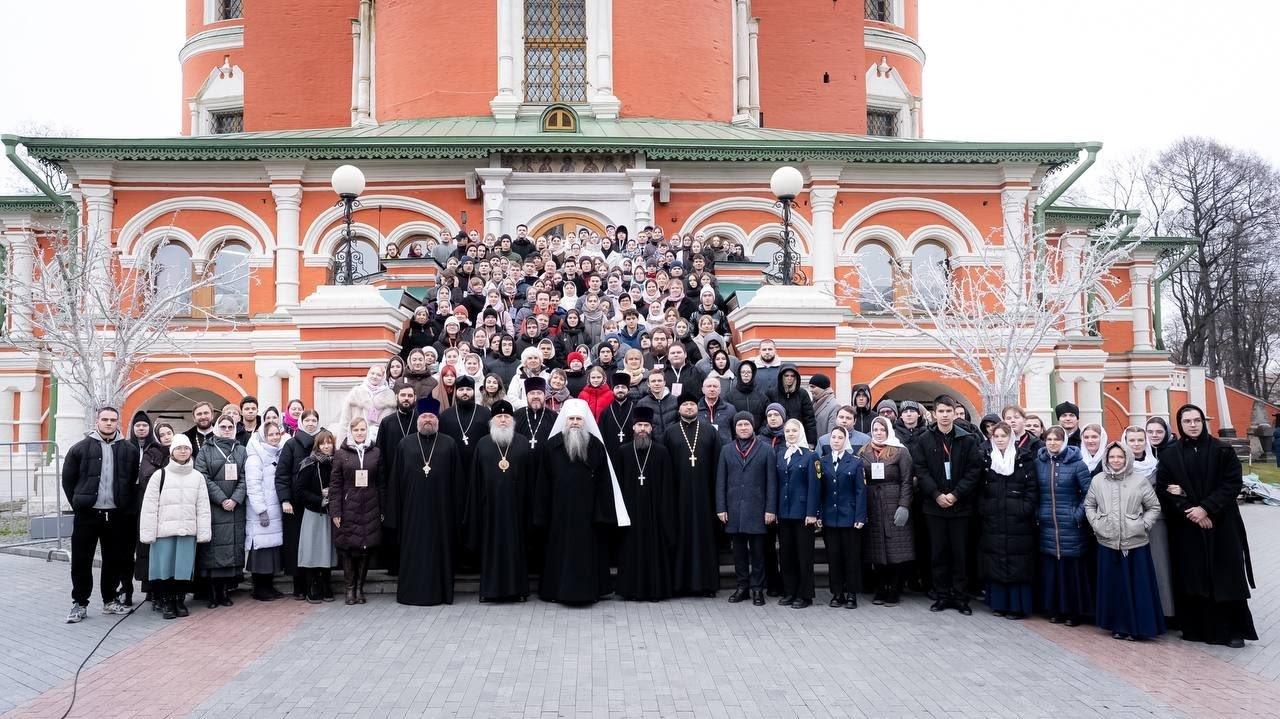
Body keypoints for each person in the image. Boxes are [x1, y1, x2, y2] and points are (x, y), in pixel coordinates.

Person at [1156, 404, 1257, 648]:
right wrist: (1192, 511)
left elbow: (1232, 483)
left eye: (1196, 420)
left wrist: (1206, 508)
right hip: (1188, 526)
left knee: (1226, 576)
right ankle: (1196, 629)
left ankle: (1232, 631)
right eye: (1187, 421)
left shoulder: (1222, 450)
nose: (1192, 425)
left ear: (1203, 422)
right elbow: (1165, 489)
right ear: (1180, 424)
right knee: (1193, 576)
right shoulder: (1170, 455)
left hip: (1222, 523)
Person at [535, 399, 630, 604]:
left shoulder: (595, 445)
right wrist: (542, 513)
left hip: (589, 513)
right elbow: (543, 482)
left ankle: (590, 591)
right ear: (565, 420)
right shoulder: (551, 446)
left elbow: (604, 482)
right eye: (571, 419)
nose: (575, 423)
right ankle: (556, 591)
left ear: (585, 421)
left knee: (588, 552)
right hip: (559, 511)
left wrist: (602, 513)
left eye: (579, 419)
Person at [62, 406, 141, 623]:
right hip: (87, 514)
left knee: (113, 560)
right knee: (82, 560)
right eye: (104, 419)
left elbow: (132, 481)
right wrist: (79, 502)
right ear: (97, 421)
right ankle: (80, 603)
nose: (108, 423)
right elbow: (68, 480)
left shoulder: (129, 450)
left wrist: (126, 506)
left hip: (116, 515)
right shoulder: (80, 448)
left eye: (112, 420)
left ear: (118, 422)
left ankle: (109, 600)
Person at [386, 399, 464, 606]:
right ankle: (411, 593)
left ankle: (441, 593)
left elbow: (457, 482)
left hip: (442, 513)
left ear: (437, 419)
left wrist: (457, 513)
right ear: (418, 419)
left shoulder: (449, 444)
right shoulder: (405, 444)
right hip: (411, 512)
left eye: (431, 416)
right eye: (424, 416)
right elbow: (395, 482)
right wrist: (394, 514)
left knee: (440, 552)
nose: (428, 420)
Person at [1086, 442, 1165, 641]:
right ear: (1106, 459)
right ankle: (1118, 626)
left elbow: (1154, 507)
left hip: (1135, 543)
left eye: (1120, 457)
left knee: (1138, 587)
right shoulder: (1098, 480)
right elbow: (1089, 505)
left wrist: (1142, 525)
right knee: (1115, 587)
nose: (1116, 460)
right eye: (1112, 457)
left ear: (1127, 458)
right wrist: (1097, 523)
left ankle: (1140, 627)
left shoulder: (1139, 481)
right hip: (1108, 541)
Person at [912, 395, 981, 615]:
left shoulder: (967, 439)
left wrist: (956, 494)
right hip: (934, 507)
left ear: (954, 413)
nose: (944, 415)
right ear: (934, 414)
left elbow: (974, 471)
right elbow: (920, 469)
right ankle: (942, 595)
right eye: (940, 411)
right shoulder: (924, 439)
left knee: (960, 554)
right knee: (938, 553)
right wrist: (936, 494)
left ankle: (961, 597)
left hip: (960, 507)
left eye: (948, 411)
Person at [465, 400, 535, 602]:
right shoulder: (483, 444)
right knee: (491, 549)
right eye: (499, 417)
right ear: (492, 420)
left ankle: (518, 590)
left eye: (507, 417)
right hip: (490, 509)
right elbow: (475, 480)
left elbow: (530, 479)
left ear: (512, 420)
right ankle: (490, 591)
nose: (503, 420)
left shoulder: (522, 442)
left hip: (516, 508)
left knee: (516, 549)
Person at [137, 434, 211, 620]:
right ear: (172, 452)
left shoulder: (197, 477)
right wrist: (148, 532)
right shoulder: (159, 475)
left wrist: (203, 532)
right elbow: (149, 507)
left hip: (187, 530)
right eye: (179, 448)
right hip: (164, 531)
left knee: (183, 569)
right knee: (164, 569)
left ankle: (179, 600)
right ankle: (166, 601)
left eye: (186, 448)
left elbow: (203, 507)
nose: (183, 451)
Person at [662, 393, 724, 597]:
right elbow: (665, 466)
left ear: (697, 407)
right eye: (685, 405)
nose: (689, 407)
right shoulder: (670, 432)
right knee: (681, 539)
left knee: (705, 539)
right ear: (679, 409)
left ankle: (707, 585)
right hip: (678, 497)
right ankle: (679, 585)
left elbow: (718, 464)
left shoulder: (710, 431)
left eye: (692, 404)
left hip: (705, 496)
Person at [614, 407, 678, 601]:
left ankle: (654, 590)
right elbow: (617, 485)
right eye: (639, 425)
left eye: (646, 425)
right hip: (630, 512)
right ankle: (630, 590)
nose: (642, 429)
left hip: (654, 513)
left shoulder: (661, 452)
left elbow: (668, 485)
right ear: (633, 428)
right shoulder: (623, 452)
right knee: (631, 551)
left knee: (654, 551)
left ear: (651, 428)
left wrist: (665, 513)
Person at [716, 412, 778, 607]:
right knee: (739, 553)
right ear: (735, 428)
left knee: (758, 553)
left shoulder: (766, 449)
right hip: (734, 510)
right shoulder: (726, 450)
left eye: (746, 424)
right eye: (740, 425)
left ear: (753, 427)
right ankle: (742, 586)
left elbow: (772, 483)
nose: (743, 428)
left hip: (758, 510)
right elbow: (721, 481)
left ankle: (757, 588)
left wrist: (770, 509)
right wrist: (721, 508)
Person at [978, 421, 1038, 620]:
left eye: (1003, 436)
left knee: (1018, 562)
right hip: (993, 519)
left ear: (1010, 437)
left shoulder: (1023, 458)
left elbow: (1032, 489)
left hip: (1018, 521)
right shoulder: (987, 459)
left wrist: (1024, 509)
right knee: (995, 560)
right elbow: (980, 489)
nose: (1000, 440)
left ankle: (1017, 606)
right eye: (996, 436)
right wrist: (985, 509)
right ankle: (999, 604)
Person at [1035, 425, 1094, 626]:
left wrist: (1077, 515)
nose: (1052, 443)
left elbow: (1089, 494)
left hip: (1070, 526)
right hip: (1047, 525)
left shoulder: (1077, 464)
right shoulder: (1039, 463)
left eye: (1057, 439)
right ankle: (1055, 609)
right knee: (1052, 570)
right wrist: (1038, 513)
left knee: (1071, 571)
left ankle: (1073, 612)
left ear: (1064, 441)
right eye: (1049, 439)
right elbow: (1035, 491)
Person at [193, 413, 249, 609]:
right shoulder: (206, 450)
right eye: (223, 426)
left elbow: (245, 477)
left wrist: (235, 499)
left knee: (231, 550)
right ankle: (213, 594)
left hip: (235, 508)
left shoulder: (241, 450)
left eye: (230, 427)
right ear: (217, 428)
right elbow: (202, 476)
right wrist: (222, 499)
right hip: (214, 507)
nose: (226, 430)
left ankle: (225, 592)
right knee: (213, 552)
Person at [859, 416, 915, 607]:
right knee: (877, 549)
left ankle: (895, 589)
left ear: (888, 430)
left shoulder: (900, 451)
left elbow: (907, 480)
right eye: (875, 430)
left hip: (894, 502)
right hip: (872, 503)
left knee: (895, 549)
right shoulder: (864, 451)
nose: (879, 433)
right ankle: (882, 587)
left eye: (882, 429)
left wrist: (904, 505)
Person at [1124, 425, 1174, 621]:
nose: (1136, 444)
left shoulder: (1156, 465)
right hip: (1127, 524)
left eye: (1140, 440)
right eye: (1132, 440)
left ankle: (1164, 611)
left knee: (1158, 566)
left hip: (1155, 523)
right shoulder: (1118, 465)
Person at [816, 426, 867, 609]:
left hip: (850, 518)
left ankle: (852, 593)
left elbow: (860, 491)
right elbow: (819, 491)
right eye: (833, 437)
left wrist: (860, 516)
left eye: (839, 438)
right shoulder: (822, 461)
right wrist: (819, 513)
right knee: (834, 557)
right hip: (830, 518)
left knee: (851, 557)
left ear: (845, 441)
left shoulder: (855, 462)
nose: (836, 441)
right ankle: (837, 593)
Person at [775, 419, 819, 609]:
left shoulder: (811, 456)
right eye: (788, 431)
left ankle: (805, 595)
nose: (791, 434)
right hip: (784, 512)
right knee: (787, 555)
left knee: (804, 556)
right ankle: (790, 591)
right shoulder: (781, 454)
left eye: (794, 431)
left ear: (800, 433)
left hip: (803, 514)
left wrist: (812, 512)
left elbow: (814, 487)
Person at [276, 408, 319, 599]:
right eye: (307, 420)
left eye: (313, 420)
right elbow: (282, 474)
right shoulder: (291, 444)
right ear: (301, 422)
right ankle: (298, 586)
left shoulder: (322, 442)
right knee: (296, 544)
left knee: (313, 543)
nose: (310, 423)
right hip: (295, 503)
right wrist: (285, 499)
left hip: (316, 502)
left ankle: (314, 583)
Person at [295, 429, 338, 603]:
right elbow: (299, 490)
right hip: (314, 512)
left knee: (326, 549)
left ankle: (326, 584)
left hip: (330, 513)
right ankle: (311, 585)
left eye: (329, 442)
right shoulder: (309, 463)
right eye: (323, 443)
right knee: (312, 550)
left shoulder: (336, 462)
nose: (326, 446)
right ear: (317, 445)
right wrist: (319, 498)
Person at [244, 420, 285, 601]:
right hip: (262, 512)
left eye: (277, 434)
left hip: (275, 510)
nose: (275, 437)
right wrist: (261, 510)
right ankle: (259, 589)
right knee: (261, 551)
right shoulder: (255, 457)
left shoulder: (277, 454)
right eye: (271, 434)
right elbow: (253, 486)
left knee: (272, 550)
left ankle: (268, 586)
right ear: (263, 437)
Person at [135, 422, 174, 609]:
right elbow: (147, 476)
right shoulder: (152, 452)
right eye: (162, 434)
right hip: (155, 508)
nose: (166, 437)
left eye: (169, 433)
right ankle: (154, 592)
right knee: (153, 552)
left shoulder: (181, 451)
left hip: (174, 509)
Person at [769, 365, 816, 446]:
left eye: (792, 376)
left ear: (796, 377)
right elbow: (767, 417)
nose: (789, 378)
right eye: (786, 375)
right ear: (781, 377)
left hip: (797, 437)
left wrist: (811, 441)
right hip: (777, 438)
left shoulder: (802, 394)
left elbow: (809, 419)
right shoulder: (771, 393)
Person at [513, 377, 559, 450]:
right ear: (526, 396)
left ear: (544, 396)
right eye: (532, 393)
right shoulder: (516, 416)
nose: (535, 396)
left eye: (539, 393)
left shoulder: (554, 417)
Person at [808, 374, 839, 438]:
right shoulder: (813, 402)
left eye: (813, 387)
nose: (810, 390)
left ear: (822, 388)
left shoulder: (834, 406)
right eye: (810, 387)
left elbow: (832, 433)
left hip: (823, 443)